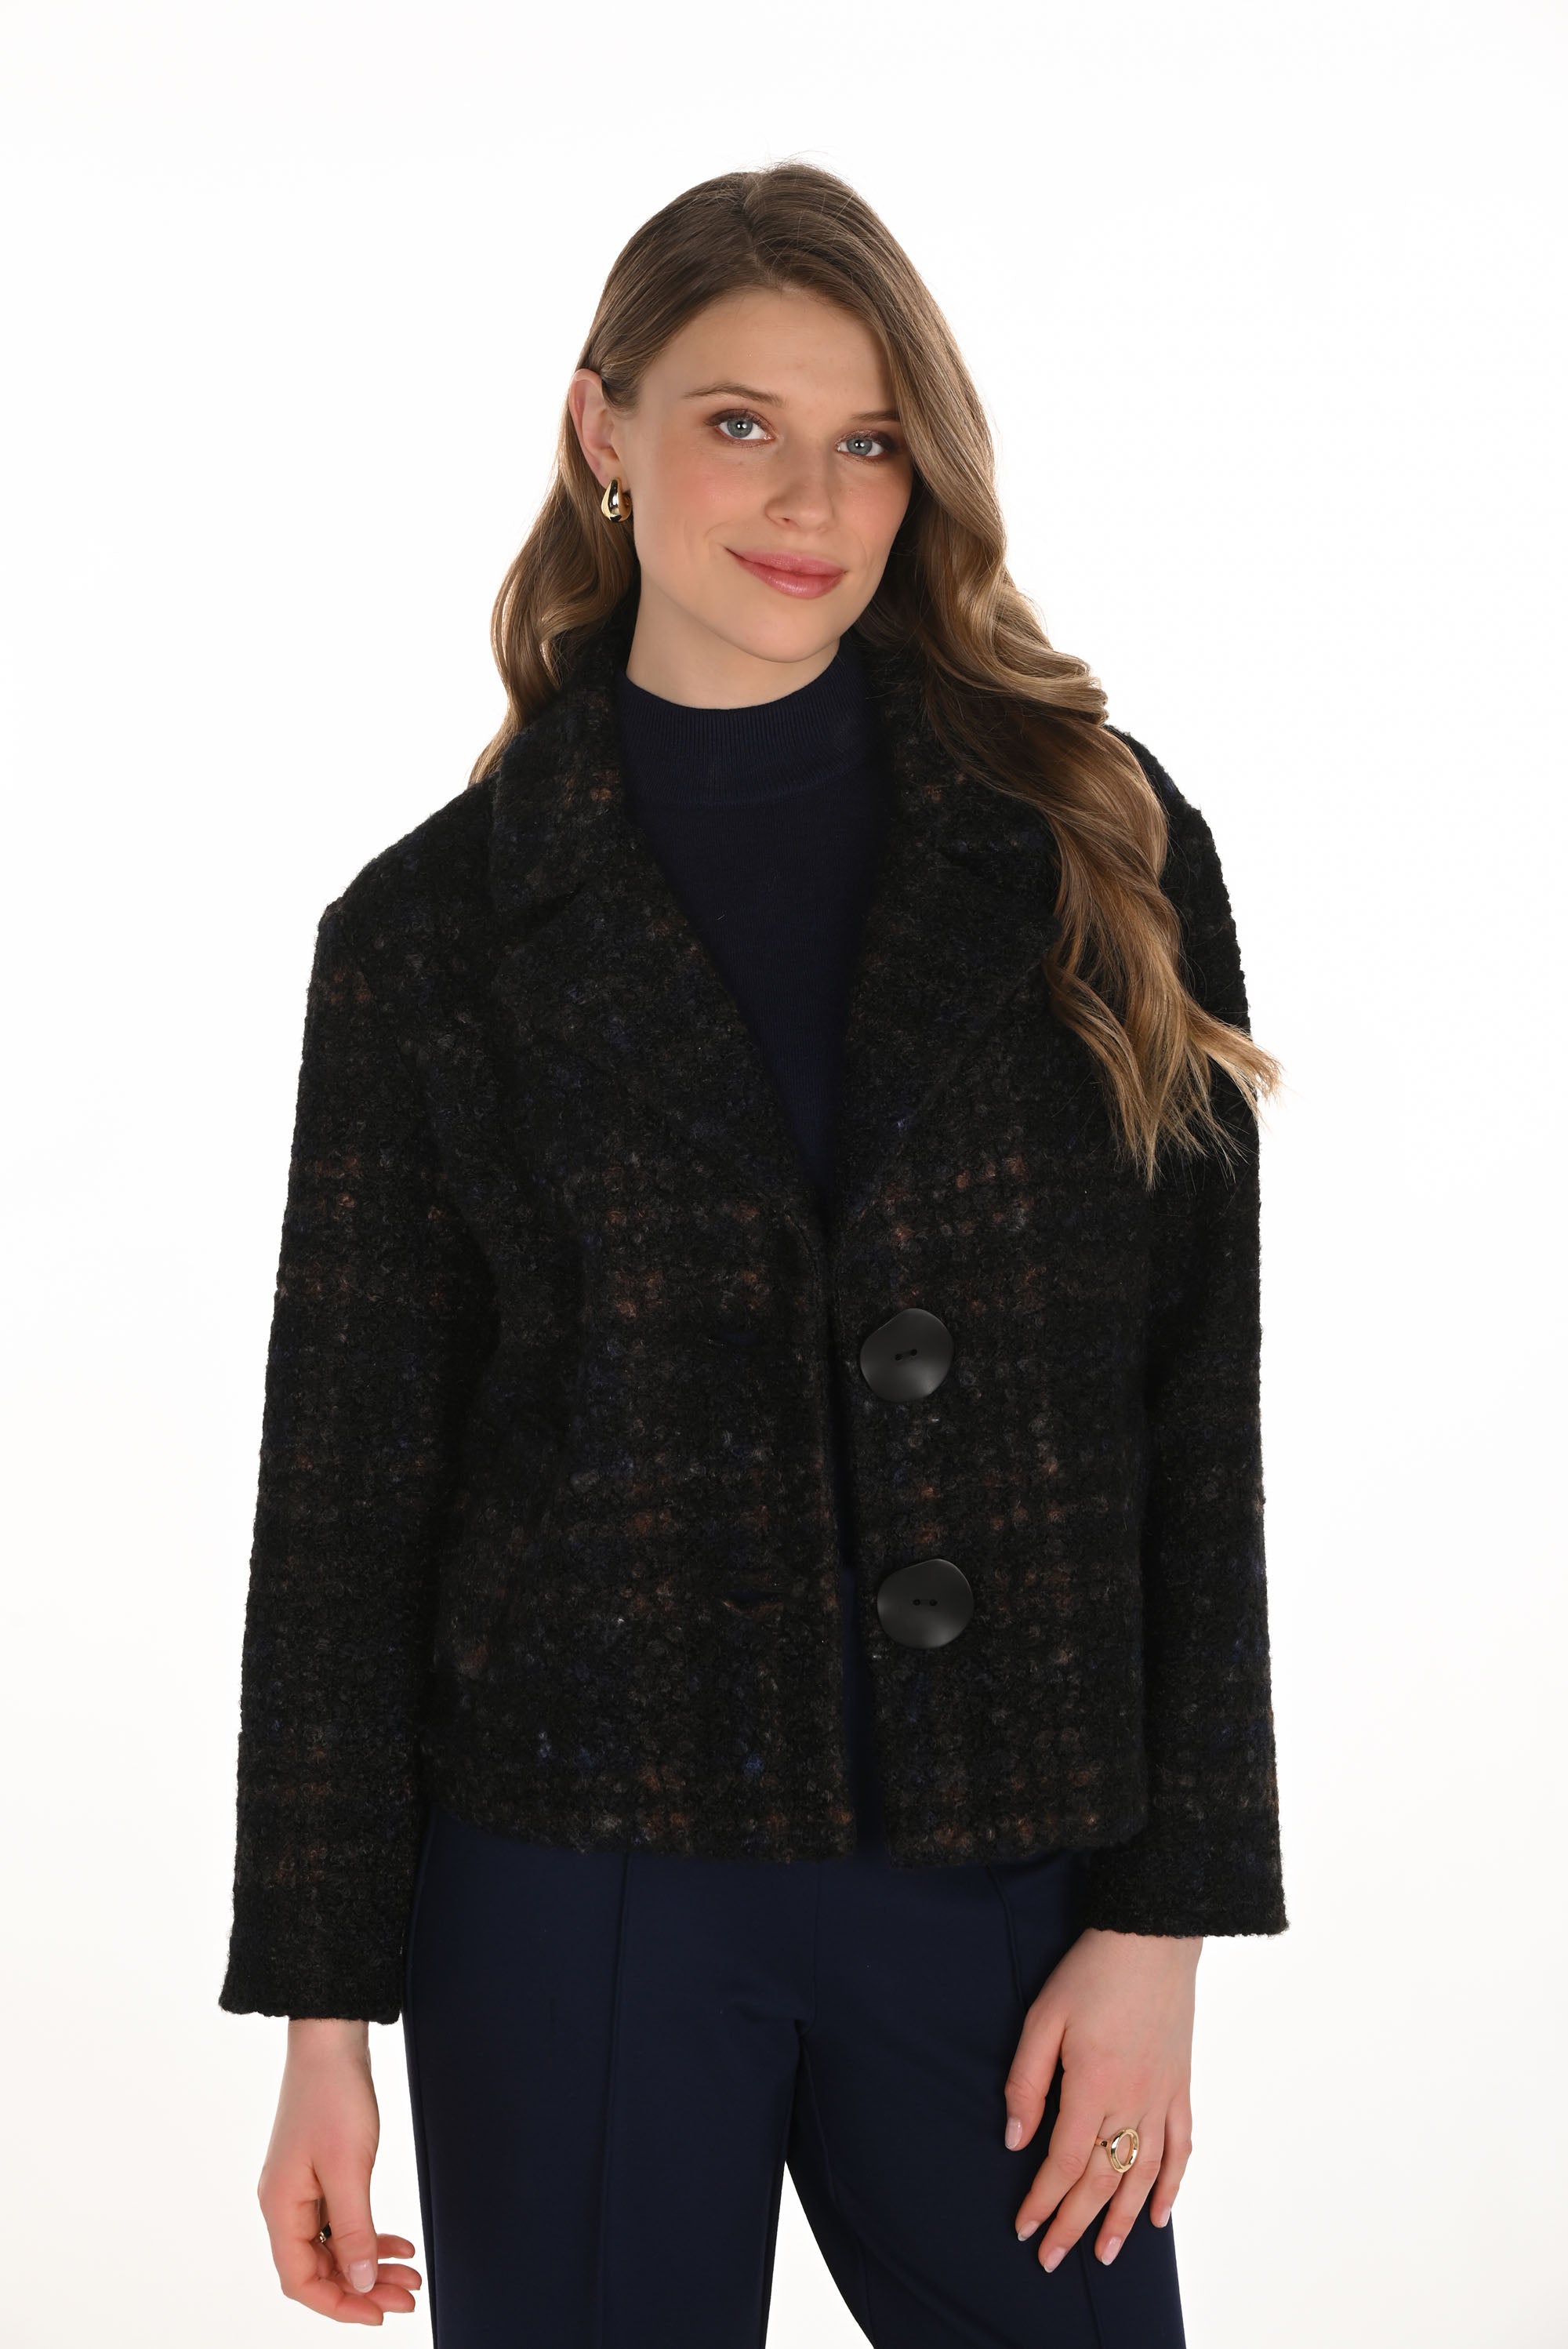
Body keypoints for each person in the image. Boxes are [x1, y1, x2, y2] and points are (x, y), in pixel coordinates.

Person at [220, 162, 1287, 2346]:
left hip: (1002, 1880)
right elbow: (346, 1504)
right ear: (601, 427)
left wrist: (1161, 1921)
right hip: (575, 1884)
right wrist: (322, 2023)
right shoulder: (425, 938)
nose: (810, 499)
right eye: (739, 423)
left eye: (870, 439)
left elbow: (1196, 1407)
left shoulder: (1094, 843)